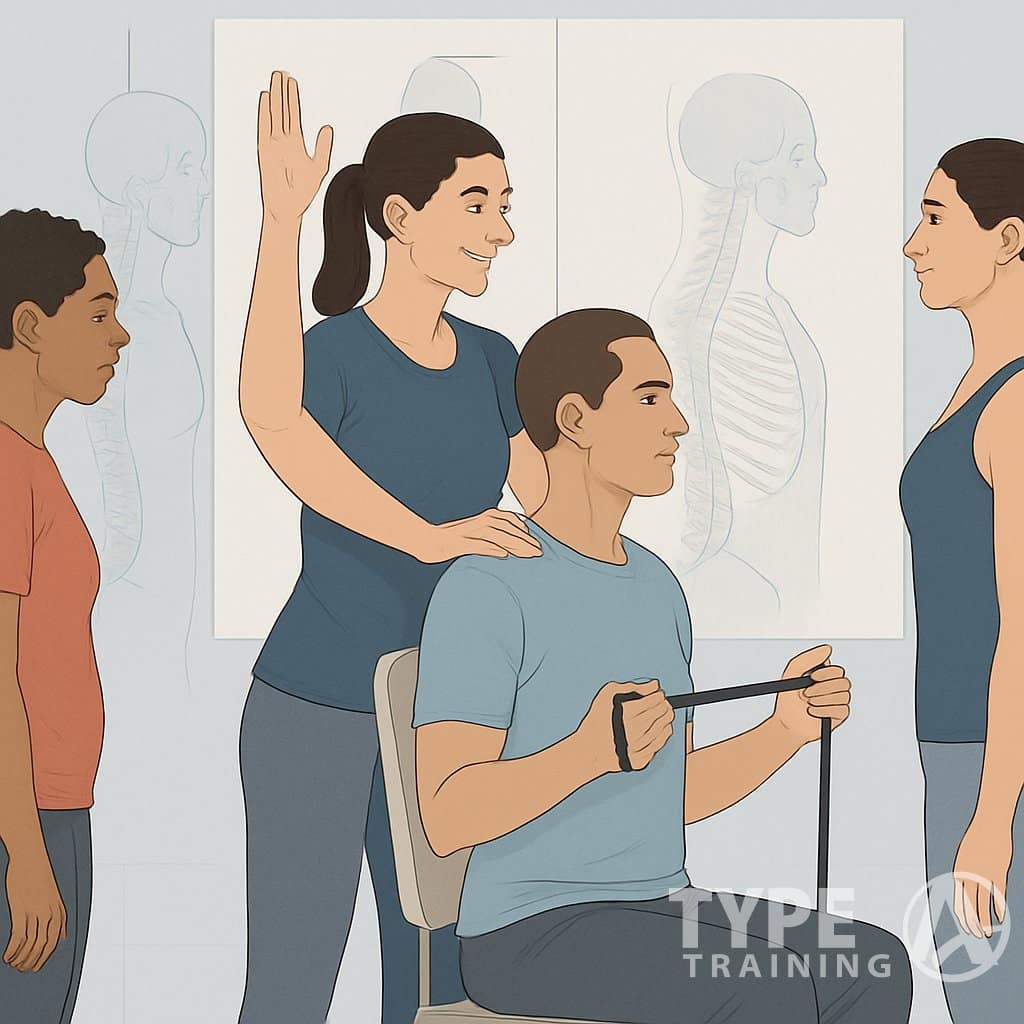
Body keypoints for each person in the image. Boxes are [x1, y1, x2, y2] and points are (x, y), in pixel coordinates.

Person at [414, 308, 913, 1023]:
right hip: (526, 931)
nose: (678, 423)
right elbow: (446, 814)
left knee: (870, 964)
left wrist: (784, 730)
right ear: (575, 420)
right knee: (764, 986)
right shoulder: (487, 585)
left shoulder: (656, 588)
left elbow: (669, 796)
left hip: (657, 906)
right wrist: (587, 753)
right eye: (650, 398)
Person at [236, 71, 548, 1024]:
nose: (501, 229)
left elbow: (543, 504)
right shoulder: (331, 354)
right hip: (316, 708)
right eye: (477, 203)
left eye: (506, 206)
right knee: (294, 981)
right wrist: (280, 221)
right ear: (401, 217)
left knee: (433, 981)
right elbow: (273, 421)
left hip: (442, 717)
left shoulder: (496, 359)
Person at [901, 137, 1024, 1020]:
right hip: (956, 747)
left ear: (1008, 240)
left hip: (994, 763)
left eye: (936, 216)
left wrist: (991, 818)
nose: (914, 243)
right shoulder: (976, 386)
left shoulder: (1016, 404)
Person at [0, 208, 130, 1021]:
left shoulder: (33, 461)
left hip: (55, 805)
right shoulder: (8, 470)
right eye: (97, 312)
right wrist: (23, 851)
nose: (119, 337)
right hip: (26, 817)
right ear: (28, 325)